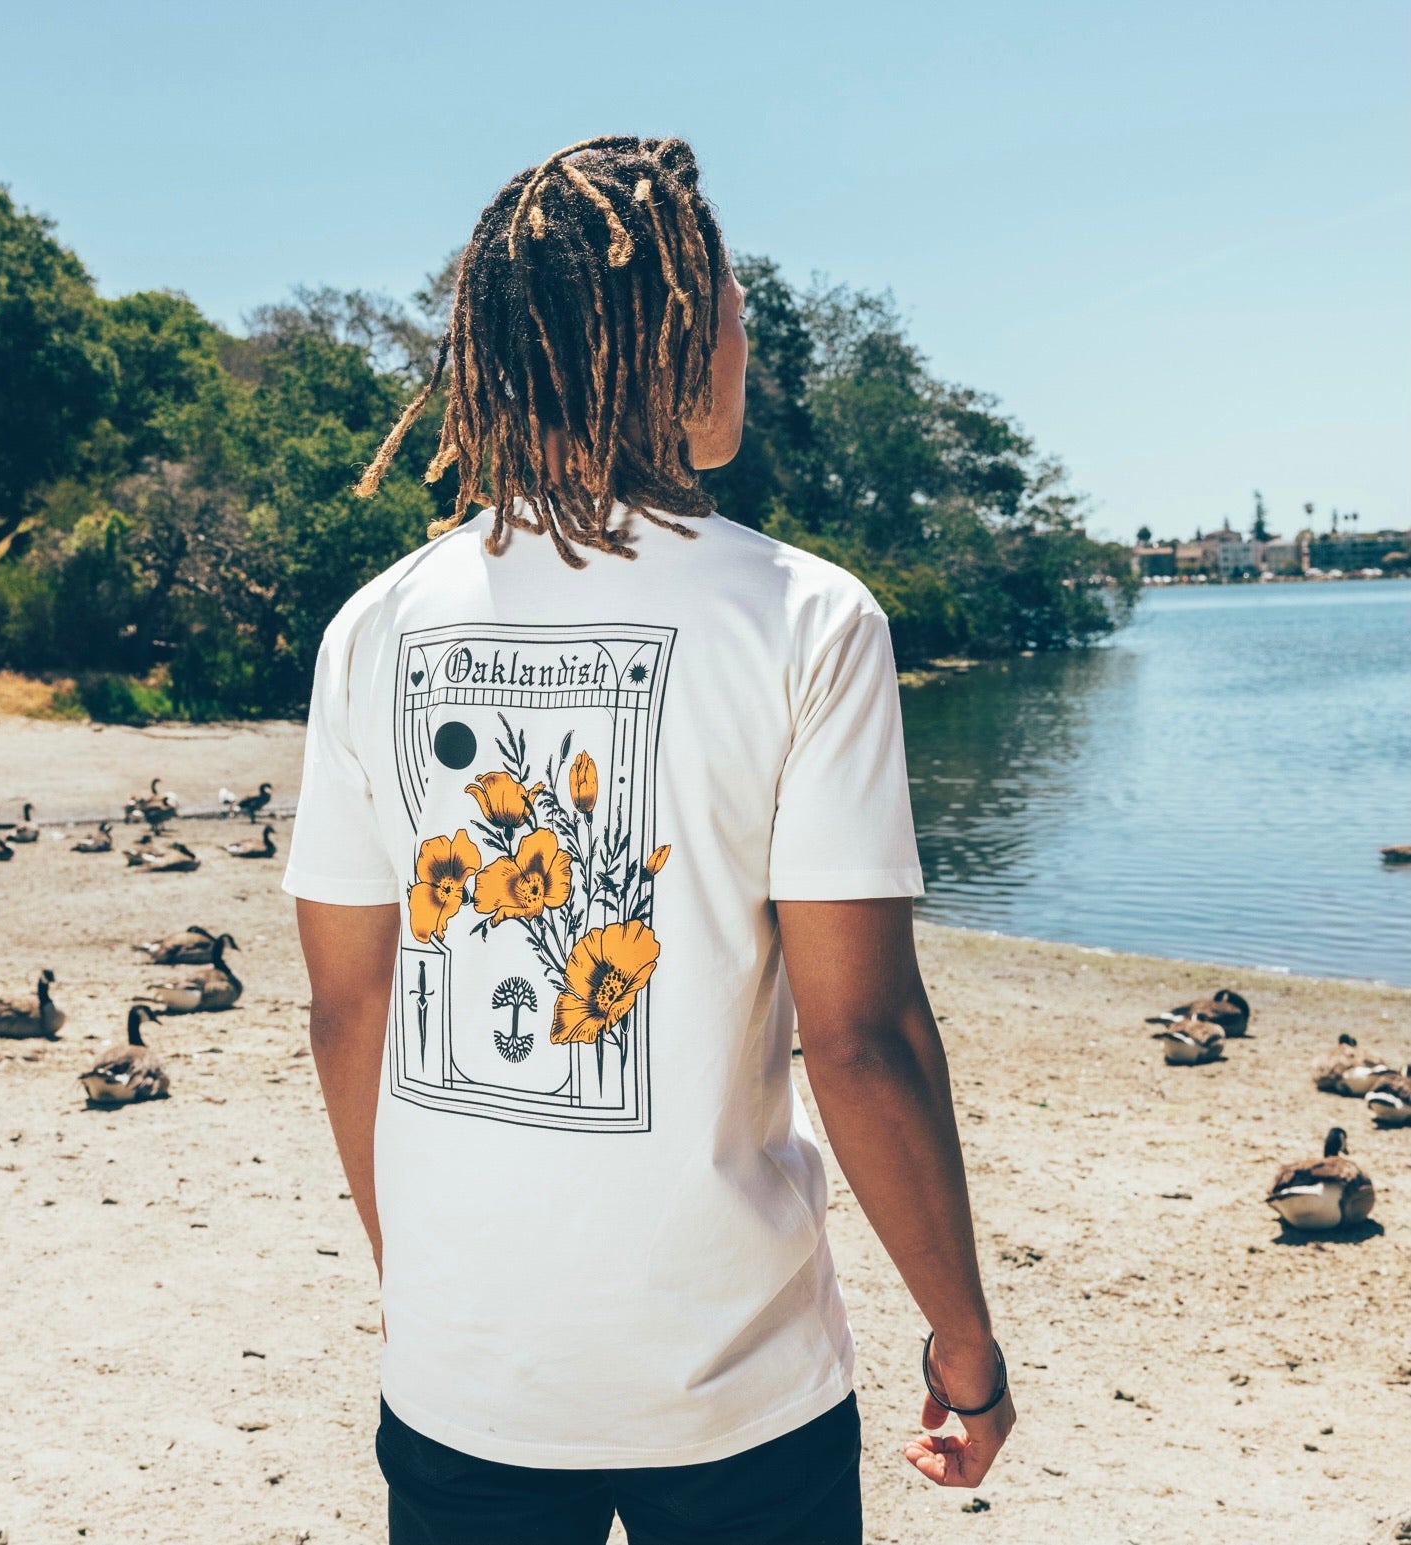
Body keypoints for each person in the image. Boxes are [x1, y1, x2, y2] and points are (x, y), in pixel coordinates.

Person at [285, 135, 1013, 1545]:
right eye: (727, 296)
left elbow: (346, 1003)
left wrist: (420, 1281)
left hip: (463, 1376)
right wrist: (961, 1345)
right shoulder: (805, 619)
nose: (743, 325)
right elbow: (858, 1037)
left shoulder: (372, 628)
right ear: (673, 333)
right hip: (735, 1383)